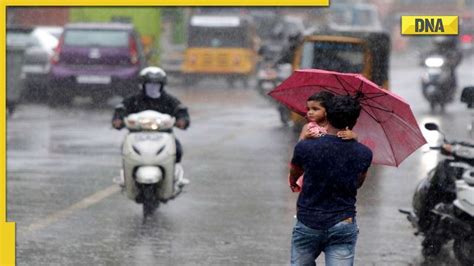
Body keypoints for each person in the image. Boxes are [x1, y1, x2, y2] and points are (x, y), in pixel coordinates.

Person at [288, 95, 373, 266]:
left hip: (308, 221)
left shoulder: (306, 146)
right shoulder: (364, 152)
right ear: (354, 121)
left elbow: (295, 174)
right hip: (343, 222)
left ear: (327, 115)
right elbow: (357, 184)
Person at [111, 66, 190, 190]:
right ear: (143, 85)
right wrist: (118, 120)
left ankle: (174, 178)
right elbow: (121, 109)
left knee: (178, 150)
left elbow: (181, 110)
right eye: (149, 84)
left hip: (164, 135)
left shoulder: (169, 100)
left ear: (162, 86)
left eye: (156, 85)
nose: (152, 88)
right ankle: (127, 178)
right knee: (124, 150)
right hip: (137, 135)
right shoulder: (133, 100)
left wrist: (182, 120)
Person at [293, 92, 357, 190]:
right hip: (314, 167)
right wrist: (305, 138)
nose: (310, 112)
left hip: (333, 168)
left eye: (315, 109)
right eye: (308, 109)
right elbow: (299, 149)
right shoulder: (308, 127)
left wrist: (353, 136)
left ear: (328, 111)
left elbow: (351, 145)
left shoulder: (336, 127)